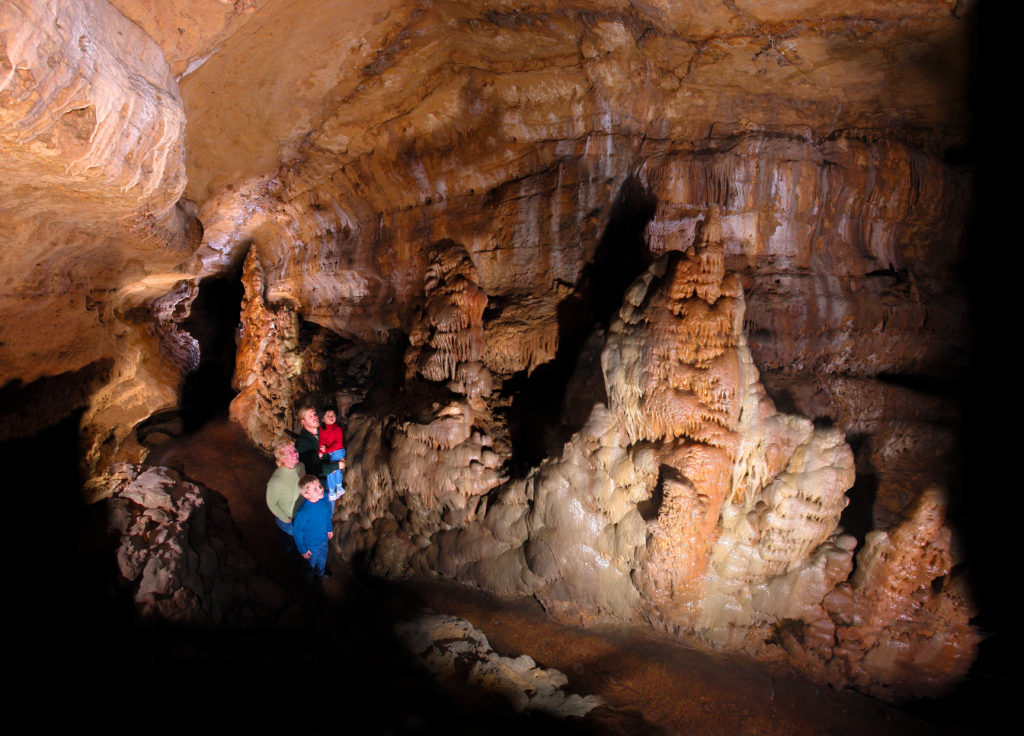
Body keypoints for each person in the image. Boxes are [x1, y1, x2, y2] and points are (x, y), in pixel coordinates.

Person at [293, 474, 334, 578]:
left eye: (320, 486)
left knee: (322, 557)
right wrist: (302, 549)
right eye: (315, 489)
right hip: (311, 545)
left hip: (323, 539)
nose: (320, 489)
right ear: (306, 495)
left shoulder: (324, 498)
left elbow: (328, 513)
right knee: (310, 562)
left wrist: (329, 528)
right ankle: (308, 577)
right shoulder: (303, 513)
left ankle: (321, 571)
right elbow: (297, 533)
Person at [266, 440, 305, 539]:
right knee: (292, 545)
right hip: (288, 520)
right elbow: (271, 503)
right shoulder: (276, 480)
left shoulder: (301, 466)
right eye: (290, 452)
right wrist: (285, 519)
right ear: (282, 458)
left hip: (301, 514)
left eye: (294, 450)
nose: (295, 454)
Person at [294, 405, 342, 481]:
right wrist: (336, 466)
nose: (315, 417)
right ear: (303, 421)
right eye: (310, 416)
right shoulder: (302, 443)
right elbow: (313, 468)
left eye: (315, 414)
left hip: (334, 477)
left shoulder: (325, 432)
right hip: (318, 482)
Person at [318, 409, 346, 504]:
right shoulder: (322, 429)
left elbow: (338, 444)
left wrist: (326, 450)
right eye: (328, 415)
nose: (331, 416)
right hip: (329, 452)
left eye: (333, 414)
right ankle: (335, 490)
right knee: (332, 471)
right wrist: (320, 451)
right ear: (323, 419)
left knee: (333, 470)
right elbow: (321, 441)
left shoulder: (337, 429)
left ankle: (336, 489)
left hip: (338, 451)